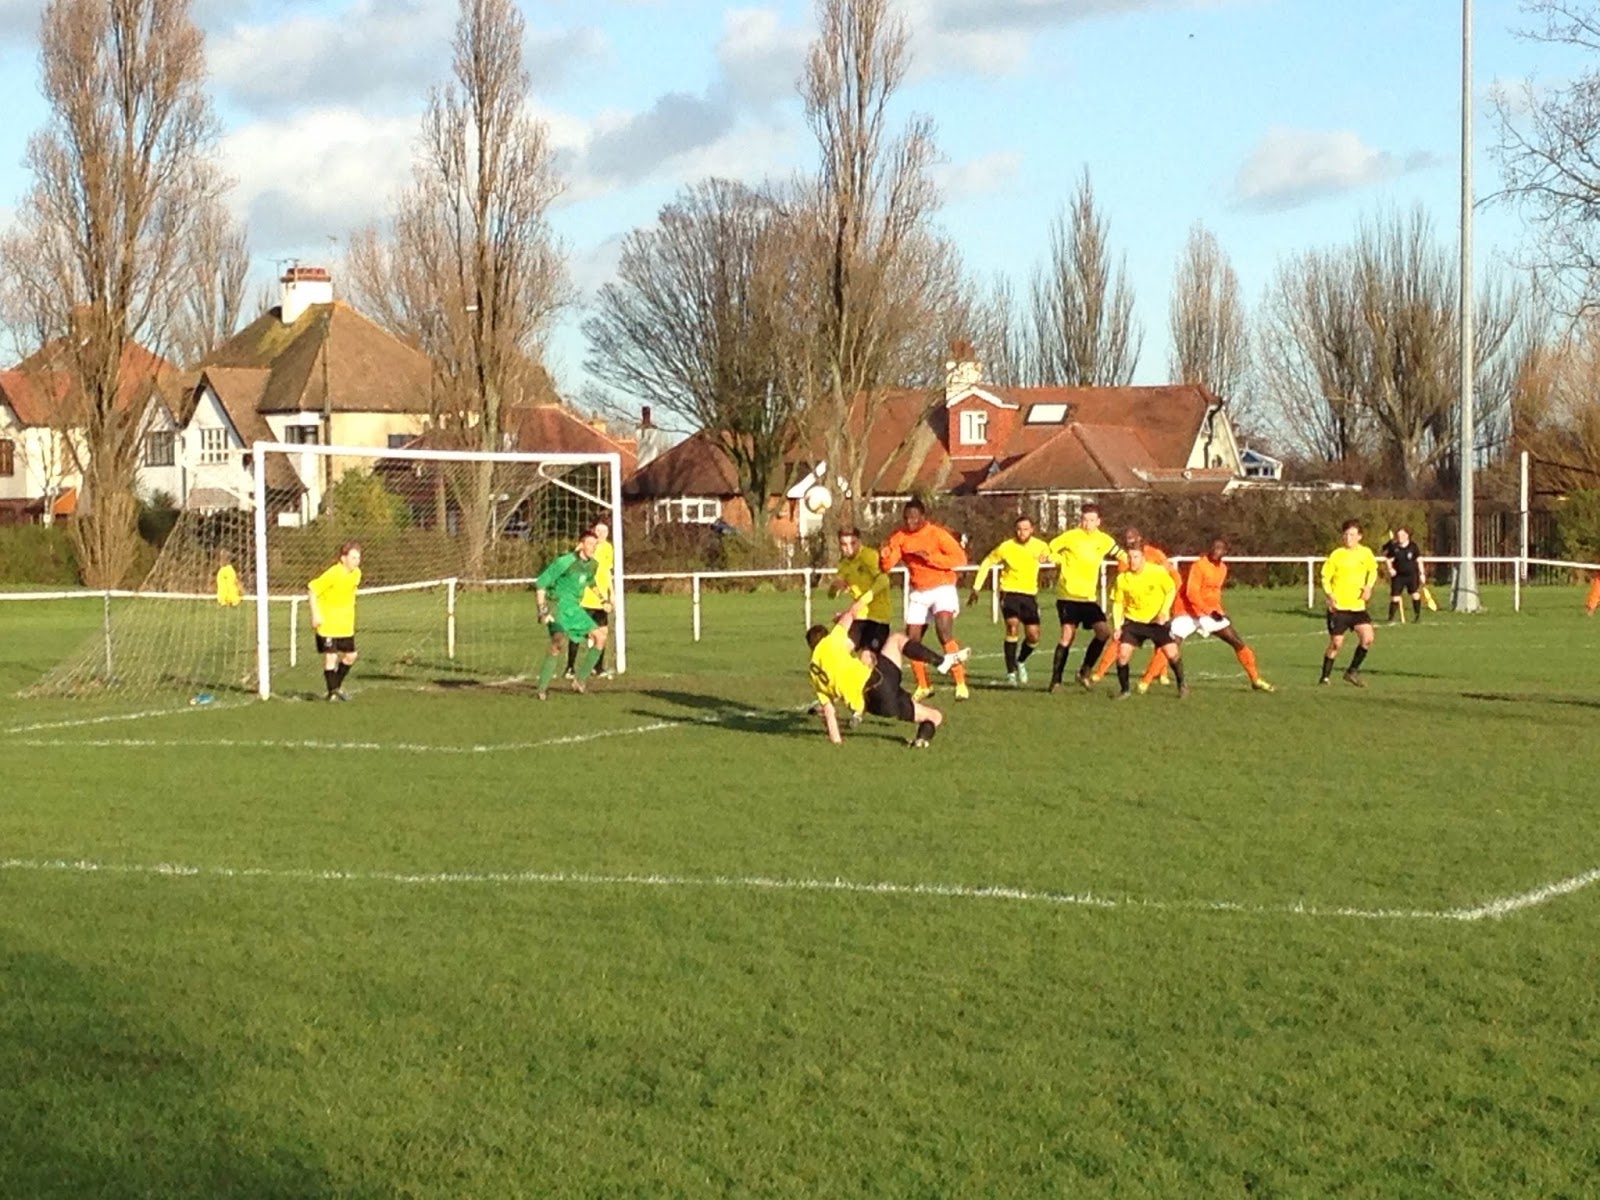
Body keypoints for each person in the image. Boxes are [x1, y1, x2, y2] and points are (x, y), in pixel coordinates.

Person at [806, 588, 965, 748]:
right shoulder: (831, 641)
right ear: (825, 636)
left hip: (876, 706)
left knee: (934, 716)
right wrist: (844, 614)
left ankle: (921, 741)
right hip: (878, 684)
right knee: (896, 639)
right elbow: (850, 616)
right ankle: (940, 661)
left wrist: (836, 742)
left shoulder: (814, 674)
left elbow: (829, 712)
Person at [1139, 537, 1273, 693]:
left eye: (1220, 548)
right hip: (1187, 612)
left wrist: (1221, 612)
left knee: (1237, 642)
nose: (1216, 551)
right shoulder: (1199, 565)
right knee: (1170, 647)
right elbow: (1191, 593)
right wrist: (1210, 612)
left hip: (1209, 612)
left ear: (1225, 552)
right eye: (1214, 547)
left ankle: (1255, 679)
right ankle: (1145, 682)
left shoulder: (1222, 568)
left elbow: (1215, 594)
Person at [879, 499, 970, 701]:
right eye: (906, 518)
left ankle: (961, 683)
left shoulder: (937, 534)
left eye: (913, 518)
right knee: (912, 640)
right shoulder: (900, 537)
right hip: (918, 591)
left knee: (944, 631)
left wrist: (930, 558)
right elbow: (887, 566)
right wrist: (884, 556)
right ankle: (924, 685)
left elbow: (960, 559)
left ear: (923, 517)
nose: (909, 522)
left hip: (942, 586)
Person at [967, 514, 1052, 685]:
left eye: (1026, 529)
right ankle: (1011, 672)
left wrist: (1048, 557)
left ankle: (1020, 661)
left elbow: (1052, 554)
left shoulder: (1040, 546)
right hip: (1009, 593)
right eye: (1019, 529)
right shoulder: (1006, 547)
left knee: (1033, 636)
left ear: (1032, 530)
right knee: (1012, 626)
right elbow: (987, 562)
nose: (1022, 533)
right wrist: (976, 587)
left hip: (1029, 595)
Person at [1090, 526, 1179, 685]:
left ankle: (1162, 673)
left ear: (1140, 539)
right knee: (1119, 642)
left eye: (1133, 539)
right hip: (1134, 609)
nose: (1130, 542)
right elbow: (1123, 582)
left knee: (1163, 643)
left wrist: (1165, 607)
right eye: (1128, 540)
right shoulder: (1125, 558)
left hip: (1157, 605)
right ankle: (1101, 672)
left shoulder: (1155, 554)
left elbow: (1170, 575)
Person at [1045, 503, 1118, 692]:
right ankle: (1056, 681)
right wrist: (1056, 559)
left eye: (1092, 520)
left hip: (1088, 598)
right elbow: (1049, 549)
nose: (1088, 524)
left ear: (1098, 522)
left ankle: (1084, 671)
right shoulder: (1071, 536)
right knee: (1067, 635)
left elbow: (1120, 554)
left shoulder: (1104, 540)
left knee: (1103, 632)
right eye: (1085, 520)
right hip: (1067, 596)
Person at [1110, 540, 1186, 699]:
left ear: (1143, 558)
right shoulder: (1122, 579)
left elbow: (1171, 589)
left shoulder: (1157, 572)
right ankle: (1125, 690)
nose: (1132, 561)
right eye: (1129, 558)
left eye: (1136, 557)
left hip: (1155, 622)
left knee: (1172, 654)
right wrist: (1117, 626)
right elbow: (1117, 603)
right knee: (1123, 655)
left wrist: (1163, 611)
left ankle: (1182, 685)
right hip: (1133, 622)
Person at [535, 529, 605, 700]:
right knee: (558, 642)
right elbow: (541, 583)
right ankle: (542, 688)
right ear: (580, 545)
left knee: (600, 638)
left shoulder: (593, 565)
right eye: (590, 543)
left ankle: (579, 681)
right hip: (557, 607)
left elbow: (590, 581)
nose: (593, 547)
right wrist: (542, 610)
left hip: (574, 609)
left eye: (595, 544)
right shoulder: (565, 562)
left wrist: (603, 599)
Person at [1320, 519, 1380, 687]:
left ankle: (1352, 671)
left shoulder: (1366, 553)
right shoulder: (1336, 555)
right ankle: (1324, 677)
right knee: (1336, 644)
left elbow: (1373, 570)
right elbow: (1325, 577)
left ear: (1359, 537)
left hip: (1357, 607)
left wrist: (1369, 587)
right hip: (1339, 608)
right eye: (1346, 534)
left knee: (1368, 638)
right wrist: (1330, 594)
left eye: (1352, 535)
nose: (1348, 538)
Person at [308, 541, 362, 702]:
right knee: (331, 657)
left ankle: (335, 687)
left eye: (358, 558)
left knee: (351, 656)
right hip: (328, 624)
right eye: (353, 557)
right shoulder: (333, 573)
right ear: (343, 558)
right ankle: (333, 693)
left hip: (345, 625)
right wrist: (315, 614)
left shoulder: (357, 574)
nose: (356, 561)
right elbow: (312, 590)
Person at [829, 526, 893, 653]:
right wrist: (835, 587)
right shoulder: (844, 564)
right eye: (844, 544)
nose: (849, 548)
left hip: (878, 618)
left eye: (852, 543)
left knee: (867, 658)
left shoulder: (869, 556)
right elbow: (831, 595)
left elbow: (883, 580)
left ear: (859, 541)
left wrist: (862, 601)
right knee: (839, 651)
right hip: (859, 617)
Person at [566, 519, 615, 678]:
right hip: (585, 598)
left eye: (605, 532)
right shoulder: (585, 548)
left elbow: (607, 572)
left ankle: (597, 668)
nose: (602, 534)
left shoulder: (608, 548)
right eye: (599, 531)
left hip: (601, 599)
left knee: (603, 632)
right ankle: (570, 668)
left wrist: (611, 594)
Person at [1381, 527, 1426, 624]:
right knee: (1395, 597)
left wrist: (1422, 574)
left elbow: (1419, 560)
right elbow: (1388, 559)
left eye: (1402, 535)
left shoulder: (1413, 547)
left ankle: (1417, 617)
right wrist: (1390, 569)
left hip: (1412, 575)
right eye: (1398, 535)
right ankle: (1390, 618)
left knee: (1415, 595)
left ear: (1407, 536)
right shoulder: (1394, 547)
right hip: (1398, 576)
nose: (1400, 537)